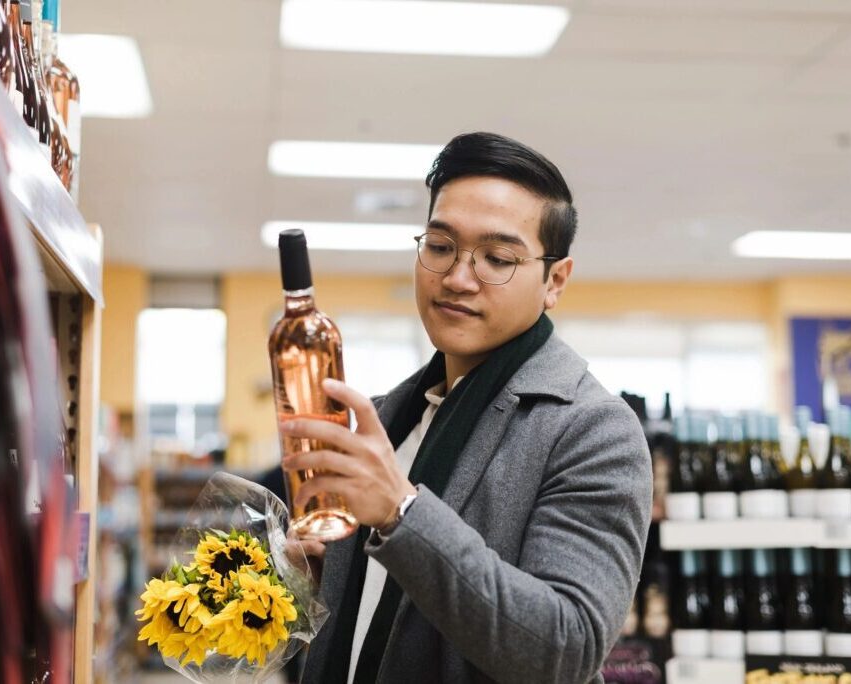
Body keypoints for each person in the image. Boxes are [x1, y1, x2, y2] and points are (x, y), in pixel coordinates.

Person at [279, 132, 653, 684]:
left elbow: (566, 648)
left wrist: (401, 512)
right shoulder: (390, 416)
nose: (456, 278)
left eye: (498, 258)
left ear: (555, 280)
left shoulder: (594, 431)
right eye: (439, 246)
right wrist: (329, 570)